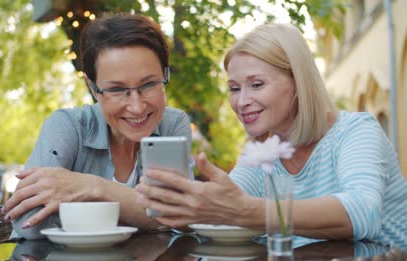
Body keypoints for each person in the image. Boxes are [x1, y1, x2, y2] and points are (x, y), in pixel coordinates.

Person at [136, 23, 407, 248]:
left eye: (256, 84)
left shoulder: (356, 131)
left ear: (298, 82)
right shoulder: (262, 149)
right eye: (234, 88)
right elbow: (223, 211)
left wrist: (245, 211)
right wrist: (185, 201)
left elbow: (362, 212)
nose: (241, 101)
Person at [2, 13, 193, 239]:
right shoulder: (68, 126)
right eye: (116, 89)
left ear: (165, 75)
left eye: (149, 84)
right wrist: (146, 212)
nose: (137, 106)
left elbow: (181, 217)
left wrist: (92, 187)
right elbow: (30, 224)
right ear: (93, 88)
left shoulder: (172, 124)